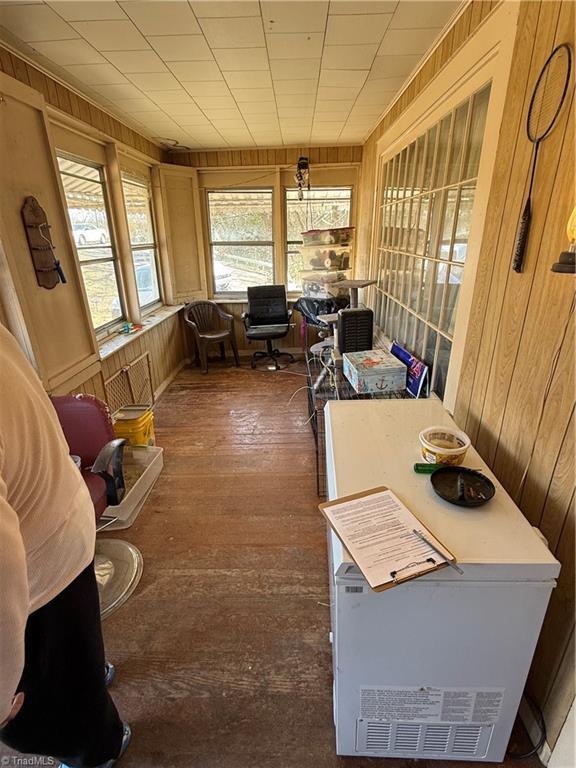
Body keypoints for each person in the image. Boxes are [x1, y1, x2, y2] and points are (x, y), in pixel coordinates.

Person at [0, 324, 131, 767]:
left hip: (38, 559)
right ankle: (94, 673)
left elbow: (2, 580)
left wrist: (0, 698)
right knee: (74, 638)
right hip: (62, 515)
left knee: (47, 707)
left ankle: (99, 750)